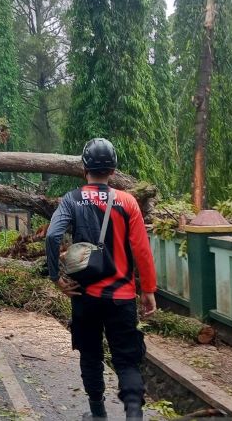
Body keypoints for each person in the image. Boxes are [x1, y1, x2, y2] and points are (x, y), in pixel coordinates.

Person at [45, 138, 157, 421]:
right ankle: (134, 414)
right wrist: (148, 290)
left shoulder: (72, 199)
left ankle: (98, 414)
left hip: (85, 296)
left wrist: (55, 276)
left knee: (90, 354)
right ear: (113, 169)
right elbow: (141, 250)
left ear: (85, 167)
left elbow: (52, 235)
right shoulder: (128, 201)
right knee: (127, 358)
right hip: (121, 296)